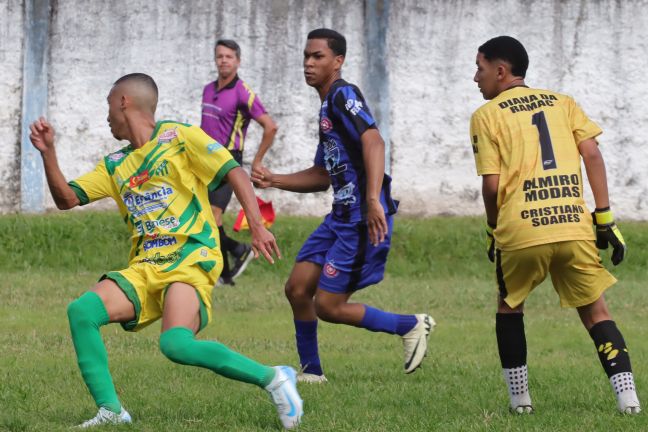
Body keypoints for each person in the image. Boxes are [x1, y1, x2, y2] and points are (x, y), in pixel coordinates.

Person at [28, 73, 303, 429]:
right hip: (145, 267)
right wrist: (49, 153)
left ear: (124, 101)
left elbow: (233, 170)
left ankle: (274, 377)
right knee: (82, 311)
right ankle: (111, 412)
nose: (106, 115)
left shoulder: (178, 136)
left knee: (175, 344)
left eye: (109, 105)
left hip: (190, 259)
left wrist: (257, 224)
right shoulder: (115, 165)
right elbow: (66, 198)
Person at [252, 28, 434, 383]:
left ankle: (410, 325)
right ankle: (312, 372)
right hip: (339, 217)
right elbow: (323, 174)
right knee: (297, 288)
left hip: (362, 219)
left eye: (317, 56)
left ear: (338, 62)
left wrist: (372, 199)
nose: (308, 63)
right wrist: (275, 179)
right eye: (306, 56)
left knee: (329, 306)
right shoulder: (326, 108)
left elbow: (375, 141)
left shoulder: (343, 94)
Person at [470, 35, 640, 414]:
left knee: (509, 307)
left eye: (479, 69)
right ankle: (629, 401)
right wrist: (605, 218)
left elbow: (492, 184)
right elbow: (592, 153)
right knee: (597, 311)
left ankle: (520, 402)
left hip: (522, 229)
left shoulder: (486, 115)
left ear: (501, 71)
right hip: (573, 225)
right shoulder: (564, 103)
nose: (475, 77)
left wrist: (493, 229)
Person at [201, 39, 278, 285]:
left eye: (229, 56)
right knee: (207, 218)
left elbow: (270, 126)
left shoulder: (243, 92)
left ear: (238, 61)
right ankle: (226, 271)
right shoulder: (208, 89)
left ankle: (238, 251)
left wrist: (257, 161)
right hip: (204, 160)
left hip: (227, 161)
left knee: (213, 215)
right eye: (220, 56)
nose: (223, 60)